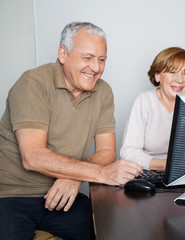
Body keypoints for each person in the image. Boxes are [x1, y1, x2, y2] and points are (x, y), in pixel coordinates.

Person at [0, 22, 142, 239]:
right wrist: (100, 173)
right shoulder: (32, 83)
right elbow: (33, 157)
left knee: (117, 230)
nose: (96, 67)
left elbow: (107, 151)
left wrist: (75, 178)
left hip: (64, 196)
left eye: (102, 59)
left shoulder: (103, 91)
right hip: (12, 197)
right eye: (87, 57)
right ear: (62, 54)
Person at [120, 47, 185, 170]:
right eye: (172, 72)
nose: (179, 80)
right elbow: (128, 151)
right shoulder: (145, 101)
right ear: (158, 76)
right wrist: (168, 166)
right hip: (151, 172)